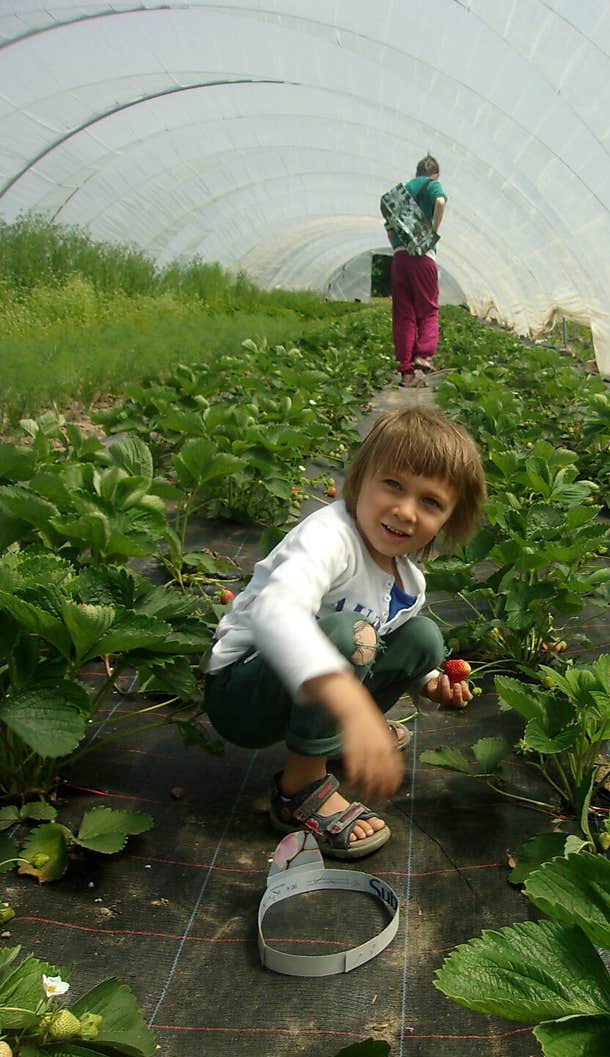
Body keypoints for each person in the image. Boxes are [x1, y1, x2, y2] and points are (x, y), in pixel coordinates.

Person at [203, 404, 486, 859]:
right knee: (352, 634)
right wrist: (351, 705)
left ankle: (329, 738)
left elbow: (395, 638)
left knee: (423, 639)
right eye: (392, 485)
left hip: (302, 691)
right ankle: (299, 788)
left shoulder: (408, 580)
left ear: (448, 522)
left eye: (430, 502)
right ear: (360, 480)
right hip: (242, 694)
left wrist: (430, 683)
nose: (405, 510)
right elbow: (276, 611)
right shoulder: (329, 537)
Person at [386, 154, 446, 387]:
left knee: (404, 314)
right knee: (428, 310)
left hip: (400, 257)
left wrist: (399, 245)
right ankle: (424, 354)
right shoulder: (432, 184)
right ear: (435, 173)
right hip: (423, 257)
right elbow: (440, 202)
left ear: (416, 171)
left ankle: (406, 372)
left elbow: (389, 229)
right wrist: (432, 231)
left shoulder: (399, 193)